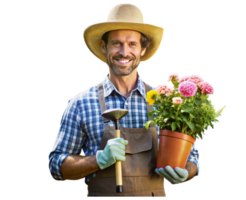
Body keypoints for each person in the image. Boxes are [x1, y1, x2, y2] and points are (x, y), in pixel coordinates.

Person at [47, 3, 201, 198]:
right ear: (104, 47)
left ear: (143, 49)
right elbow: (55, 164)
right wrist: (98, 160)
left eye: (132, 44)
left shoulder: (167, 103)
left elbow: (193, 158)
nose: (124, 51)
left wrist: (186, 171)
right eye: (116, 43)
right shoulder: (80, 103)